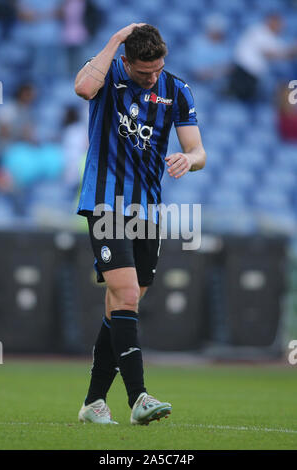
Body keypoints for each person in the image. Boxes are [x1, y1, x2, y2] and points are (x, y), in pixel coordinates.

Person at [74, 23, 206, 425]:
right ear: (126, 60)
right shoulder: (107, 72)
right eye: (144, 71)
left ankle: (94, 402)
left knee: (121, 305)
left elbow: (198, 149)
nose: (152, 77)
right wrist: (113, 39)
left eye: (158, 68)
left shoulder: (176, 90)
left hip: (148, 210)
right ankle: (139, 398)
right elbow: (82, 89)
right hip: (105, 203)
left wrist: (189, 160)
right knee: (127, 294)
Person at [228, 13, 297, 101]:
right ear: (271, 21)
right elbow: (269, 54)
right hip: (243, 71)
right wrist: (289, 52)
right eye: (279, 24)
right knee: (235, 97)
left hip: (254, 75)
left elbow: (286, 54)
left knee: (248, 98)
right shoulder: (258, 31)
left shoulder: (274, 38)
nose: (281, 27)